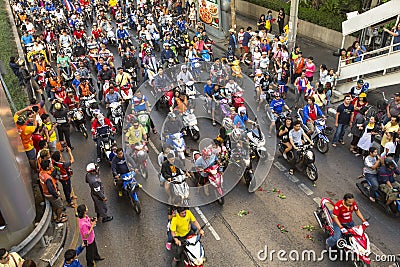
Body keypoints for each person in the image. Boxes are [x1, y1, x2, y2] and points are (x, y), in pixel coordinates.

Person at [14, 106, 38, 171]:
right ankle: (35, 169)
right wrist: (34, 117)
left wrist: (25, 109)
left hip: (19, 146)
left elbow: (16, 113)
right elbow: (35, 127)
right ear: (24, 122)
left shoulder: (15, 124)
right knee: (32, 159)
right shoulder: (26, 129)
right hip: (28, 146)